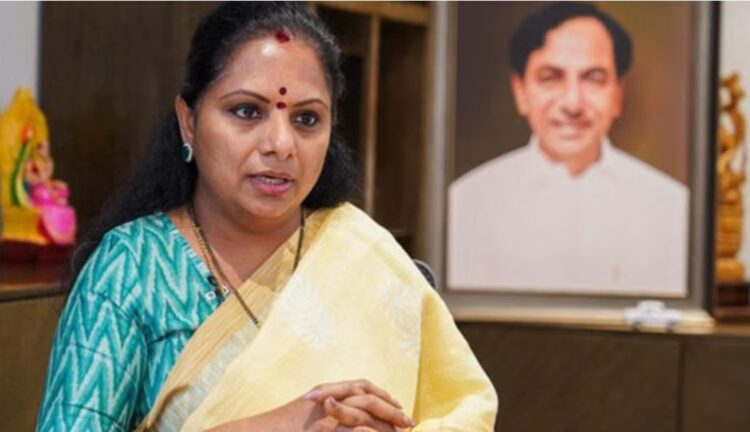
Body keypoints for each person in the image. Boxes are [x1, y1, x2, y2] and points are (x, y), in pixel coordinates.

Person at [37, 3, 498, 431]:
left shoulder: (364, 257)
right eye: (247, 111)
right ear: (189, 121)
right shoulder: (132, 270)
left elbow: (461, 413)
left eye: (307, 119)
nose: (280, 144)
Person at [448, 2, 689, 295]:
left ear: (617, 95)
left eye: (593, 79)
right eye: (551, 78)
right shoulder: (467, 203)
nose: (573, 103)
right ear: (520, 91)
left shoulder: (672, 208)